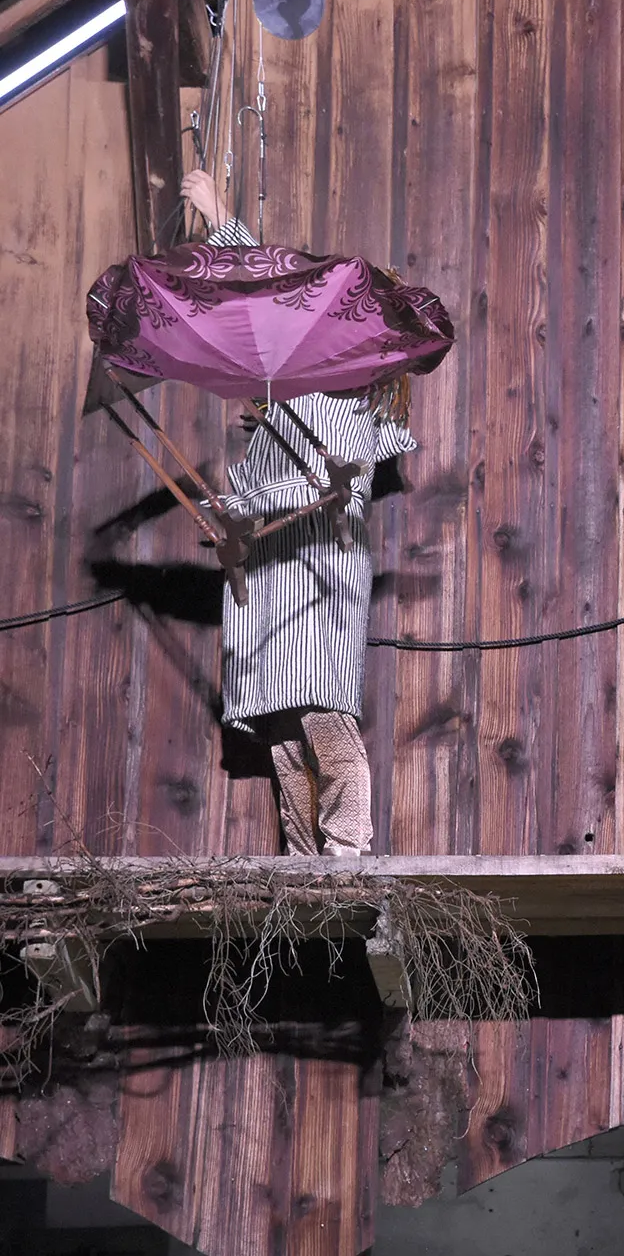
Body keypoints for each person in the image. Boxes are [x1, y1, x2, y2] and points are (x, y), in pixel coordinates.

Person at [182, 169, 413, 856]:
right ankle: (305, 863)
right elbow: (271, 311)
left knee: (322, 714)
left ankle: (346, 851)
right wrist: (234, 503)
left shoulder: (347, 405)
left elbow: (267, 301)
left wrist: (222, 220)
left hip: (316, 573)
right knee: (283, 728)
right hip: (272, 573)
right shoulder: (300, 393)